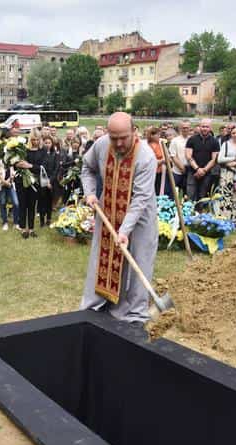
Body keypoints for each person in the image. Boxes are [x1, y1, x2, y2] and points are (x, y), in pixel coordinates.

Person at [80, 112, 158, 323]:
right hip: (108, 210)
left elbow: (140, 199)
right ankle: (96, 304)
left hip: (140, 217)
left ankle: (135, 312)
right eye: (114, 138)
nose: (119, 143)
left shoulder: (146, 157)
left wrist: (124, 230)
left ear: (134, 131)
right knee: (101, 258)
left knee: (139, 261)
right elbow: (87, 168)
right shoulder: (101, 145)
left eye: (124, 137)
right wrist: (90, 192)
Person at [185, 118, 220, 201]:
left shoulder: (215, 141)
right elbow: (188, 156)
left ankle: (200, 210)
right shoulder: (191, 139)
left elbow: (214, 159)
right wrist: (197, 169)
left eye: (207, 127)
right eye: (203, 126)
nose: (204, 128)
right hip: (193, 172)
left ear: (210, 128)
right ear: (200, 127)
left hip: (207, 173)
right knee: (190, 195)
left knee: (203, 197)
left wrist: (204, 170)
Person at [18, 129, 44, 237]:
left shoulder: (42, 151)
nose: (35, 142)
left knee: (32, 205)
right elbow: (16, 163)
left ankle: (31, 228)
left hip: (35, 181)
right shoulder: (24, 150)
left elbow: (43, 167)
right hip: (22, 181)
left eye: (37, 139)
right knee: (23, 204)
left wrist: (30, 166)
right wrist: (19, 164)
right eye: (33, 139)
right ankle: (23, 228)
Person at [0, 148, 20, 230]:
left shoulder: (12, 160)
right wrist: (4, 182)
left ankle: (16, 222)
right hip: (1, 184)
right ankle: (5, 222)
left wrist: (9, 181)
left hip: (10, 184)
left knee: (16, 203)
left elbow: (14, 172)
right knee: (2, 203)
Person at [39, 135, 60, 226]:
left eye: (49, 143)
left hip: (51, 182)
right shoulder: (41, 154)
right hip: (42, 181)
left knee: (49, 200)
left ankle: (48, 218)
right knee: (42, 201)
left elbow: (56, 169)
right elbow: (40, 169)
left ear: (52, 144)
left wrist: (50, 181)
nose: (47, 144)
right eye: (46, 143)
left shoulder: (55, 155)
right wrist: (45, 181)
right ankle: (42, 219)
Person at [168, 120, 191, 195]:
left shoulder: (192, 140)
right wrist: (182, 168)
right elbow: (173, 156)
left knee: (186, 194)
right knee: (174, 194)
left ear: (190, 128)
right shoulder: (175, 141)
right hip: (176, 172)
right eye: (183, 127)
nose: (185, 129)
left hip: (189, 172)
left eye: (187, 127)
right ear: (180, 128)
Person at [146, 127, 169, 196]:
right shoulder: (148, 146)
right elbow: (149, 161)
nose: (159, 136)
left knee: (160, 190)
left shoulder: (161, 144)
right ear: (152, 135)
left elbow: (166, 154)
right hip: (153, 172)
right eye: (157, 134)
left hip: (162, 171)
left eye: (159, 134)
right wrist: (162, 161)